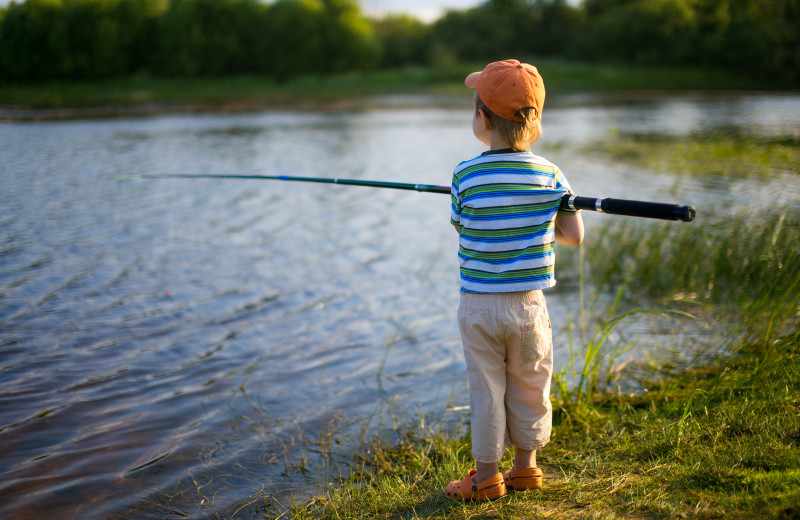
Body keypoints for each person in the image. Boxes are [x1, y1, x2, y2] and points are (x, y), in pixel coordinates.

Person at [445, 59, 584, 501]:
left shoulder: (465, 175)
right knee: (530, 384)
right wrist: (554, 212)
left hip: (480, 306)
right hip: (528, 306)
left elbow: (461, 224)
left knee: (486, 389)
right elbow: (573, 237)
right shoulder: (550, 175)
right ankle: (526, 468)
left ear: (482, 119)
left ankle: (486, 477)